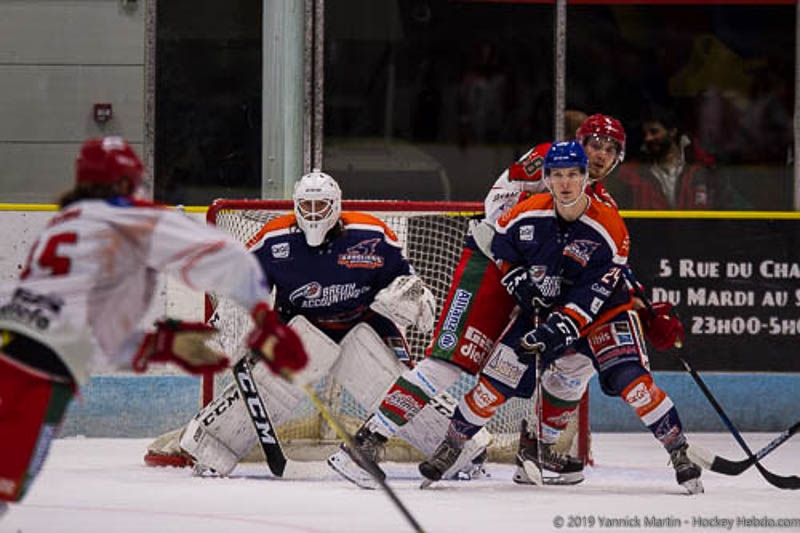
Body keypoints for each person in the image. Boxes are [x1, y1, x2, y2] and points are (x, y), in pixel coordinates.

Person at [327, 113, 650, 488]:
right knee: (449, 362)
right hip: (490, 268)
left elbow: (599, 258)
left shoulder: (599, 199)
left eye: (610, 150)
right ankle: (366, 443)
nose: (600, 155)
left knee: (575, 360)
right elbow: (497, 199)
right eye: (595, 144)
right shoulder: (550, 158)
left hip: (536, 282)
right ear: (580, 143)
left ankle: (537, 450)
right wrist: (515, 266)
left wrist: (630, 288)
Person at [0, 137, 308, 509]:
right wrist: (263, 319)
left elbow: (71, 325)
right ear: (127, 182)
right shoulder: (132, 218)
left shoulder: (61, 223)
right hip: (39, 374)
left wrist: (157, 347)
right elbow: (230, 260)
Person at [417, 141, 704, 495]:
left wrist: (561, 327)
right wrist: (515, 278)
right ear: (546, 179)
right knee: (492, 387)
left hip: (604, 315)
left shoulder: (610, 228)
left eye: (573, 174)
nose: (565, 183)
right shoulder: (525, 213)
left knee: (634, 385)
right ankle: (452, 445)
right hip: (543, 311)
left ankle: (678, 451)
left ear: (586, 178)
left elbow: (594, 295)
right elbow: (503, 249)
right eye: (556, 175)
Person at [144, 170, 439, 477]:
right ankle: (209, 442)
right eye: (306, 206)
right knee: (269, 388)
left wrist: (415, 300)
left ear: (336, 205)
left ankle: (454, 444)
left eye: (320, 206)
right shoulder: (274, 238)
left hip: (362, 323)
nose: (313, 214)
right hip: (301, 326)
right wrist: (234, 324)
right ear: (295, 206)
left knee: (399, 388)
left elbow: (407, 281)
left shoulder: (372, 234)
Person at [612, 106, 723, 209]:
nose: (648, 138)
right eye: (645, 133)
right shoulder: (631, 173)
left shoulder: (701, 168)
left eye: (654, 132)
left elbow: (723, 206)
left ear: (672, 132)